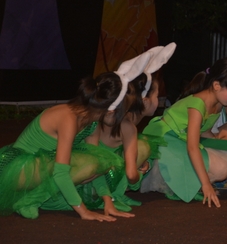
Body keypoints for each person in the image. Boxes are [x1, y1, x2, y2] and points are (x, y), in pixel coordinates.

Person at [0, 57, 151, 220]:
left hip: (40, 169)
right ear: (111, 110)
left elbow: (99, 164)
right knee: (86, 163)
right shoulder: (68, 118)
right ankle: (28, 200)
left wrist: (108, 200)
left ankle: (34, 198)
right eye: (124, 111)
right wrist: (83, 212)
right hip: (18, 170)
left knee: (99, 160)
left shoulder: (92, 122)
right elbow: (61, 172)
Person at [140, 57, 227, 207]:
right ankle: (188, 182)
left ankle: (194, 180)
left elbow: (205, 133)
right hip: (165, 139)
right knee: (220, 169)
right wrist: (206, 184)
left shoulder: (217, 105)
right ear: (217, 85)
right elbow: (192, 147)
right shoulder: (197, 105)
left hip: (182, 140)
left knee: (223, 167)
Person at [82, 44, 177, 210]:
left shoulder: (119, 120)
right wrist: (140, 174)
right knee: (144, 146)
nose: (158, 100)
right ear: (145, 100)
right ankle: (115, 195)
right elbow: (131, 174)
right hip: (94, 186)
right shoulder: (126, 126)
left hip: (88, 177)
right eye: (156, 96)